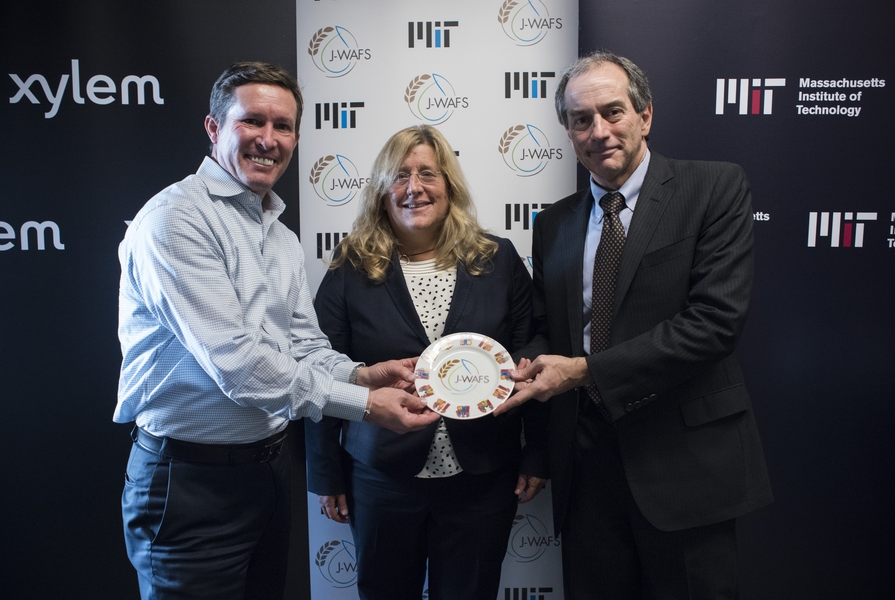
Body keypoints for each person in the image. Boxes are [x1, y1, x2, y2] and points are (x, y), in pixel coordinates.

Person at [115, 62, 439, 600]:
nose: (269, 140)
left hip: (264, 474)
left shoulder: (279, 233)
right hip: (189, 480)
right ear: (214, 129)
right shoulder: (177, 220)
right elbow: (240, 367)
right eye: (253, 122)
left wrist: (361, 374)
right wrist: (363, 405)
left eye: (284, 126)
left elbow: (304, 346)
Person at [494, 51, 773, 599]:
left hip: (686, 465)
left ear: (645, 115)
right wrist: (522, 367)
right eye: (580, 119)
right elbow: (549, 329)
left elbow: (715, 322)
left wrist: (581, 371)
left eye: (612, 112)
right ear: (568, 132)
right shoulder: (553, 224)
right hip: (586, 468)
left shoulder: (713, 189)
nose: (598, 131)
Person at [304, 125, 549, 600]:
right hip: (380, 475)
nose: (414, 187)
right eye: (399, 176)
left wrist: (537, 452)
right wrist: (325, 472)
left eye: (427, 174)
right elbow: (320, 365)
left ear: (448, 185)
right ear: (380, 191)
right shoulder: (351, 265)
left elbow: (531, 350)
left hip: (481, 474)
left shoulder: (497, 258)